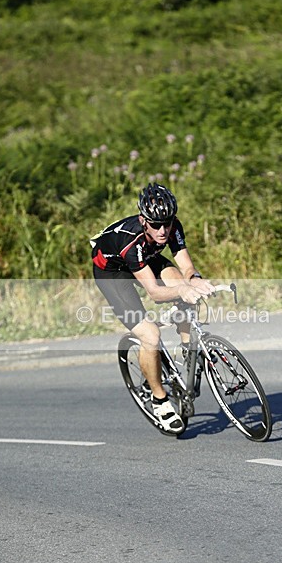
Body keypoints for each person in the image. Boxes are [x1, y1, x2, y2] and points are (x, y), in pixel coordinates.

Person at [91, 183, 215, 432]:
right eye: (156, 225)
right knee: (150, 334)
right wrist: (182, 290)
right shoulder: (132, 240)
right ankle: (159, 399)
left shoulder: (171, 226)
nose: (162, 230)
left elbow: (186, 267)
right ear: (143, 220)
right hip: (114, 272)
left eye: (167, 223)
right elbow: (155, 293)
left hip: (146, 258)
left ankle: (187, 356)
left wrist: (195, 280)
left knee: (185, 288)